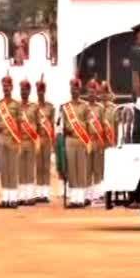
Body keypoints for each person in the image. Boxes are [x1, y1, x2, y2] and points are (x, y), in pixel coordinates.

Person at [61, 77, 91, 208]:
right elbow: (61, 124)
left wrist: (86, 137)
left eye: (77, 88)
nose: (75, 91)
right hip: (70, 141)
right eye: (73, 88)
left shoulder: (85, 106)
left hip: (82, 140)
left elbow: (89, 124)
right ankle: (74, 199)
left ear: (80, 90)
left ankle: (81, 198)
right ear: (70, 90)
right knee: (72, 169)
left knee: (81, 169)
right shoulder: (65, 107)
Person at [0, 73, 22, 209]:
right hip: (1, 138)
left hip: (12, 138)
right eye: (4, 86)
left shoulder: (16, 105)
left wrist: (18, 139)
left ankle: (13, 198)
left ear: (12, 88)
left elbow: (20, 123)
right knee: (4, 169)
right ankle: (5, 197)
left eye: (7, 86)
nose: (5, 88)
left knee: (12, 168)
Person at [17, 79, 39, 206]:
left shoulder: (34, 107)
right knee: (20, 169)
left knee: (30, 169)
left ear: (29, 91)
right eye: (21, 90)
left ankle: (30, 196)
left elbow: (38, 124)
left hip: (30, 141)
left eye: (25, 90)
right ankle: (21, 195)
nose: (23, 92)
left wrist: (37, 140)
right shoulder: (16, 106)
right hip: (19, 141)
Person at [85, 78, 106, 205]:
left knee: (97, 169)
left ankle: (97, 195)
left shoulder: (100, 108)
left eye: (93, 91)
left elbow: (103, 126)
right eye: (89, 91)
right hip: (87, 140)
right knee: (87, 169)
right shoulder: (84, 107)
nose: (91, 93)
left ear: (96, 93)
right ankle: (87, 195)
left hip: (98, 141)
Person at [35, 76, 56, 203]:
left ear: (44, 92)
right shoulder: (34, 107)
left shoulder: (50, 107)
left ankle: (46, 193)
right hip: (37, 138)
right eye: (38, 91)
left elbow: (52, 124)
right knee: (38, 166)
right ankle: (39, 193)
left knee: (46, 166)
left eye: (42, 91)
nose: (40, 93)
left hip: (47, 139)